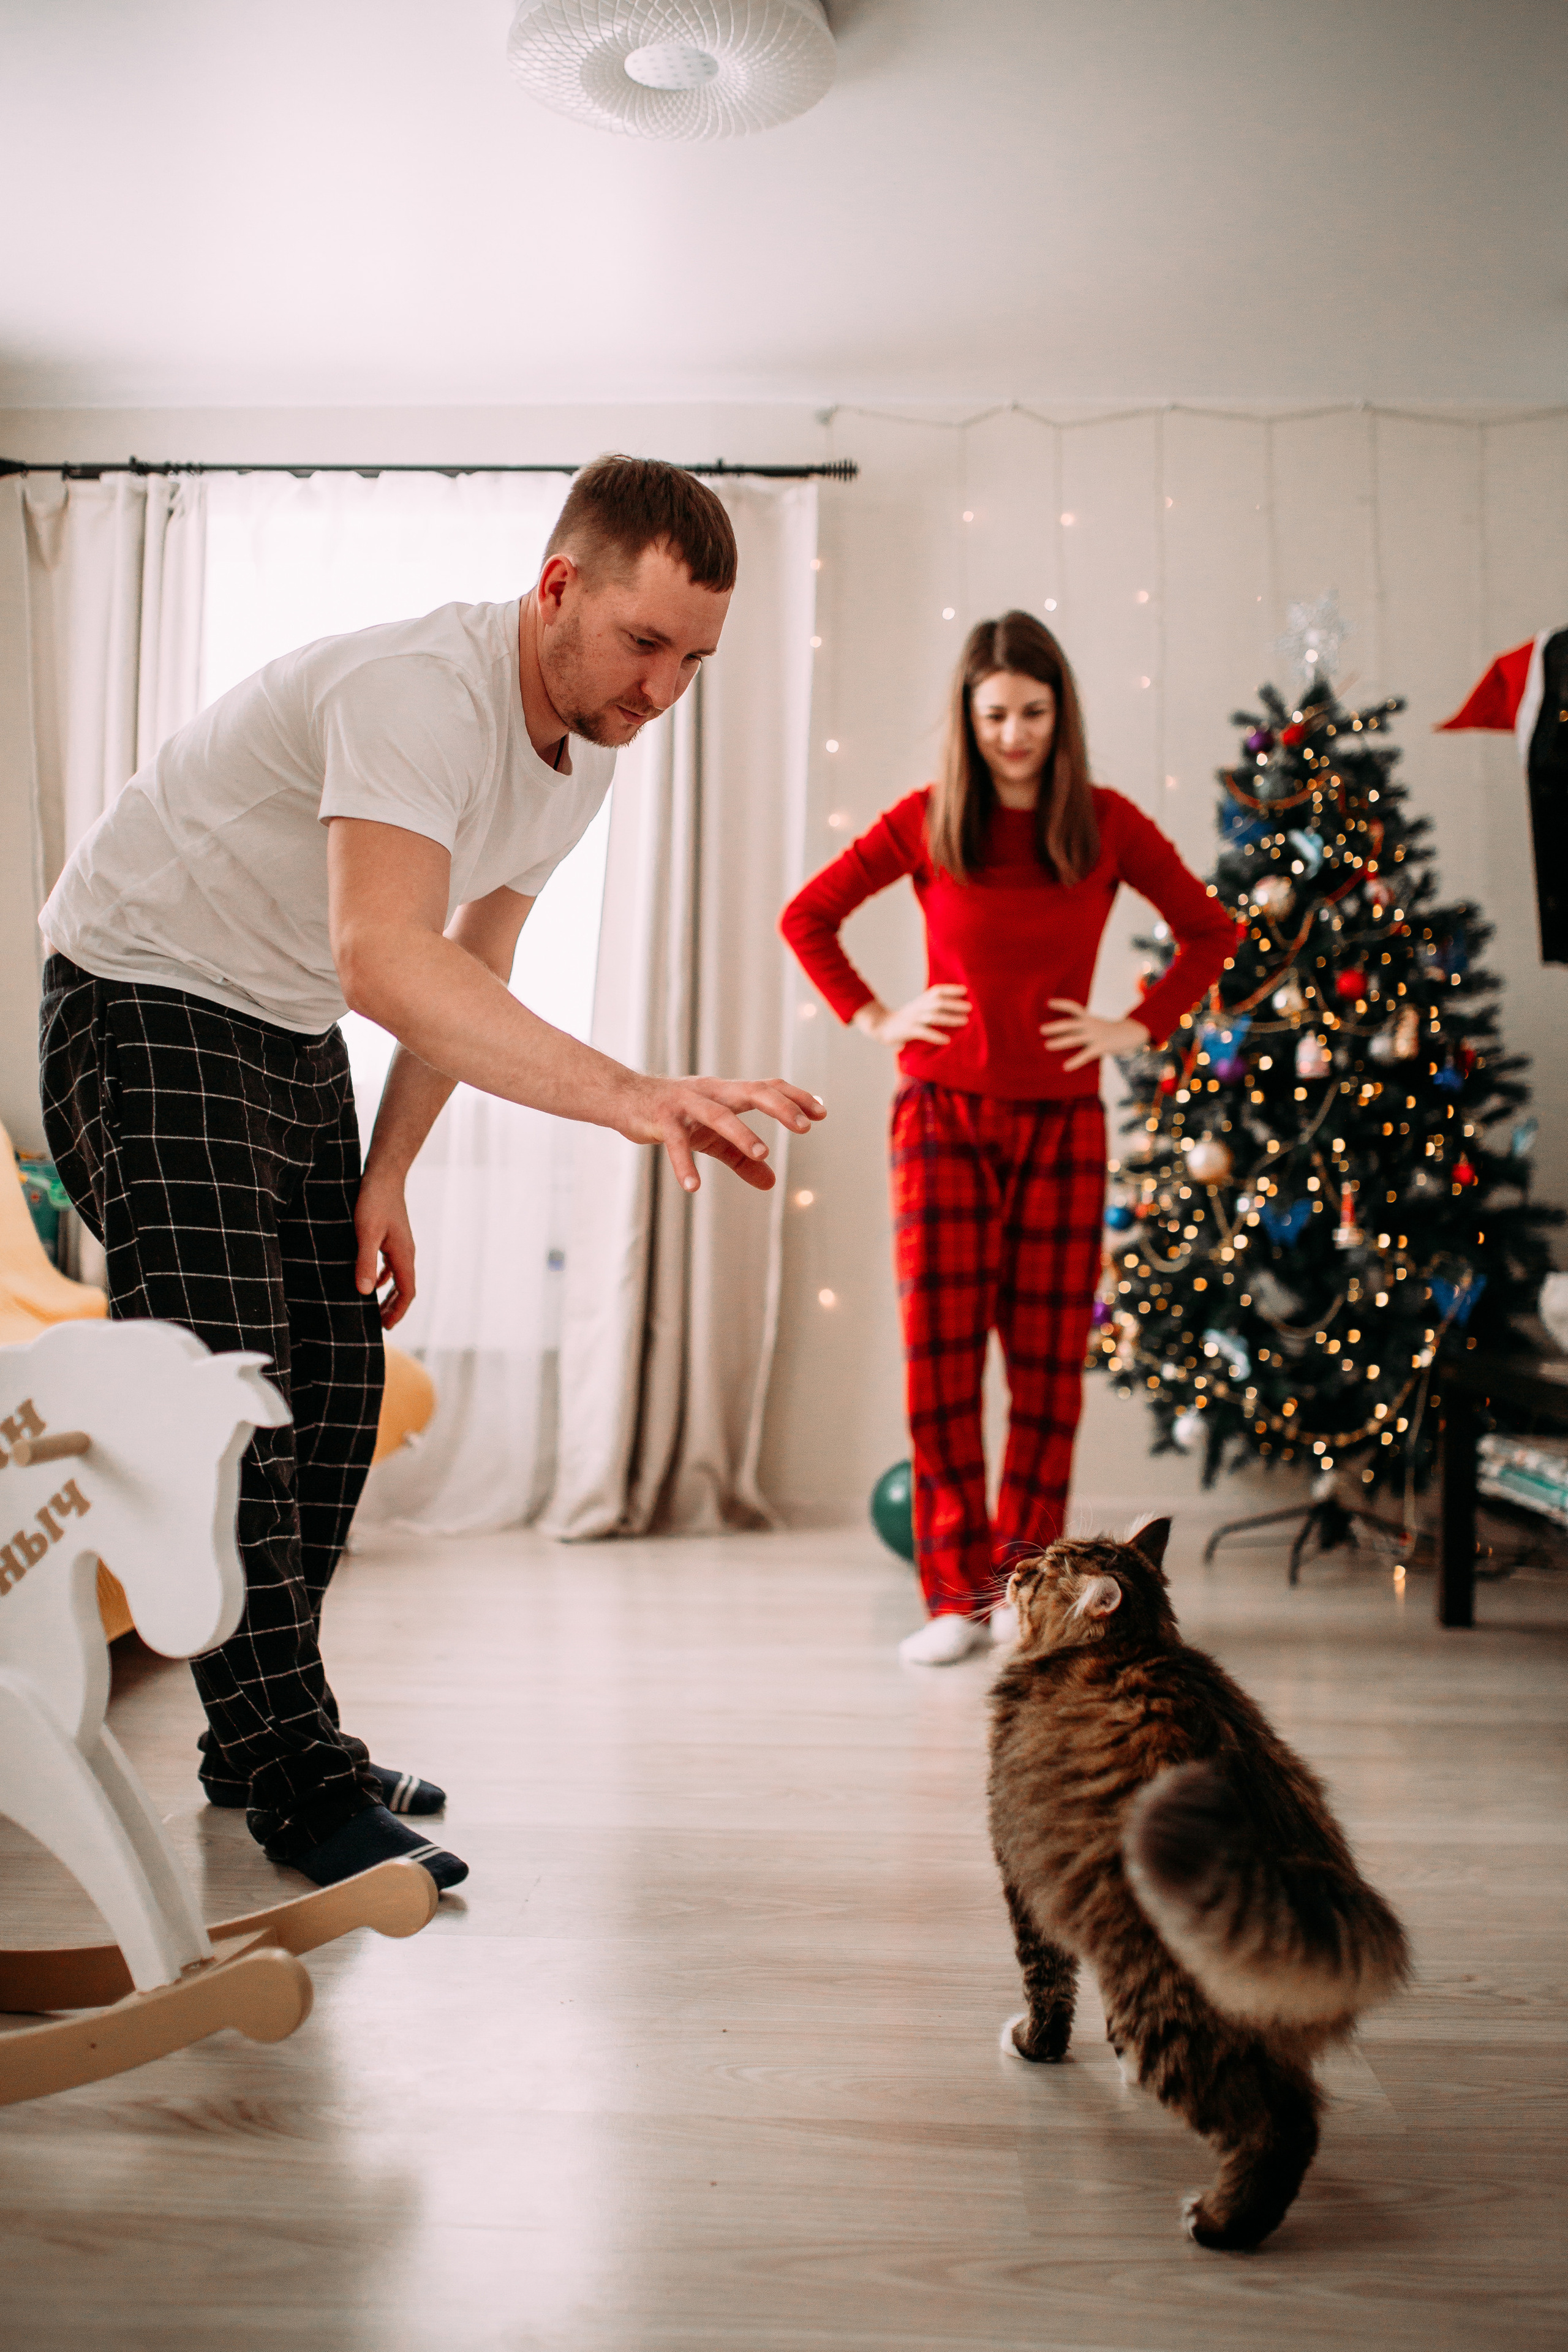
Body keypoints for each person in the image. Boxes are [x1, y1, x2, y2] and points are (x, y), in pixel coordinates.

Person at [39, 454, 824, 1885]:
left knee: (333, 1388)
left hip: (278, 1024)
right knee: (233, 1394)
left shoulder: (583, 752)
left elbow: (468, 965)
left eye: (693, 660)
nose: (661, 690)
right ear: (556, 588)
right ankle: (293, 1770)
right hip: (138, 998)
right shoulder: (417, 692)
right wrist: (633, 1096)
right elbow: (382, 955)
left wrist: (386, 1173)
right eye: (643, 643)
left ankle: (253, 1740)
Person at [780, 611, 1234, 1665]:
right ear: (968, 717)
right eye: (995, 714)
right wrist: (878, 1016)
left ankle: (1017, 1597)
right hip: (940, 1118)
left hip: (1065, 1123)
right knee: (941, 1369)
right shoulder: (930, 819)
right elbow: (810, 916)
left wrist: (1138, 1022)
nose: (1015, 733)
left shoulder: (1107, 824)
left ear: (1060, 713)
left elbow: (1212, 932)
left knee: (1044, 1375)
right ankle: (951, 1597)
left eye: (1033, 712)